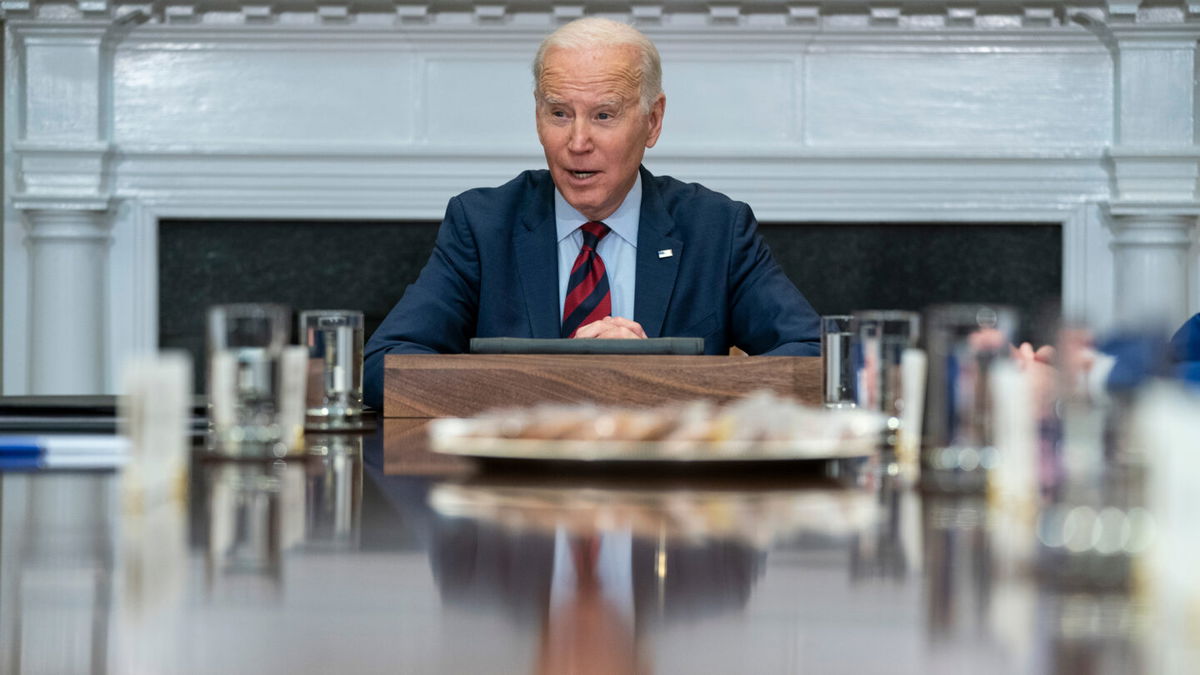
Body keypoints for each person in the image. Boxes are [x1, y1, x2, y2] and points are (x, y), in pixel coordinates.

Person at [363, 18, 820, 409]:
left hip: (670, 496)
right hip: (517, 495)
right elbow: (383, 367)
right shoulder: (483, 224)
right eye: (559, 113)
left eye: (604, 115)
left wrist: (657, 384)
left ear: (653, 121)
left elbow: (817, 358)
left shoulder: (715, 229)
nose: (578, 142)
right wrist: (560, 379)